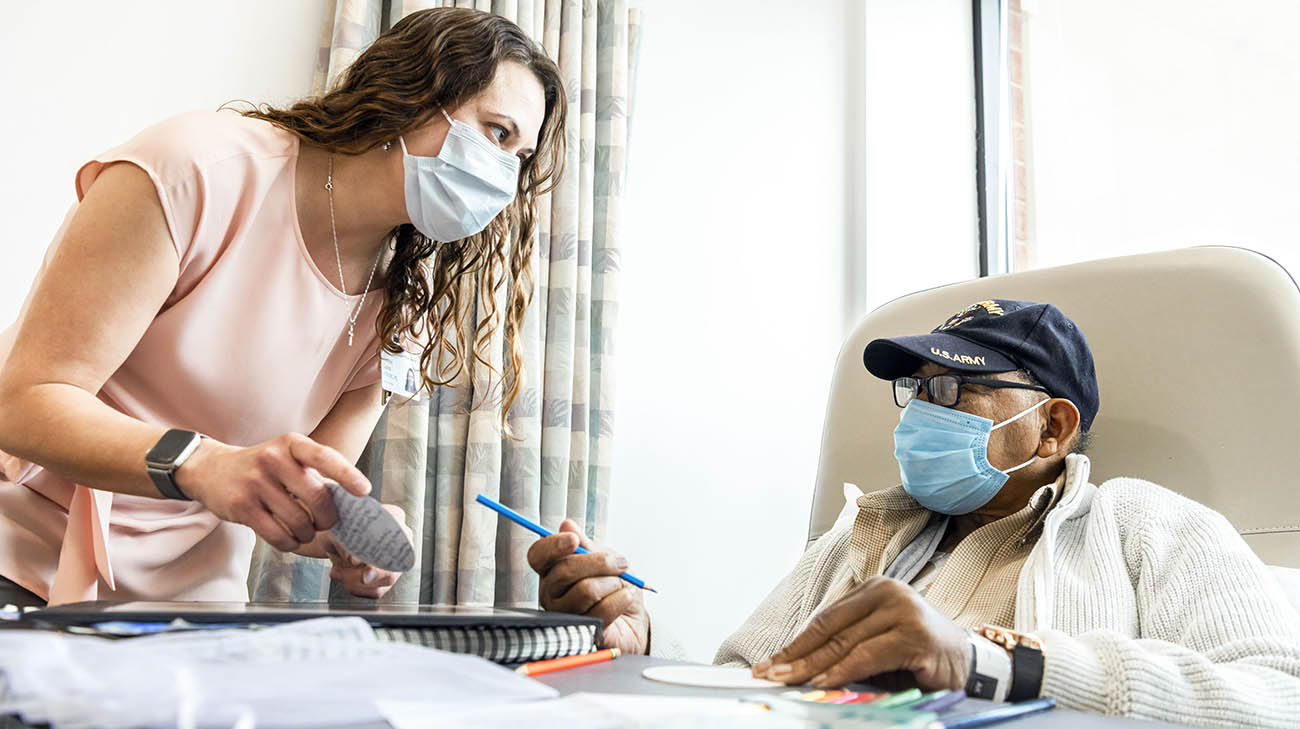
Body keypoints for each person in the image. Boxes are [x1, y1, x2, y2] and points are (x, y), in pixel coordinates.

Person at [0, 8, 567, 608]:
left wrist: (353, 532)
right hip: (24, 553)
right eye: (498, 133)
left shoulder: (403, 309)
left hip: (188, 606)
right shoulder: (197, 170)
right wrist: (201, 463)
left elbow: (306, 490)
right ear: (413, 93)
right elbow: (24, 402)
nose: (505, 175)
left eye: (521, 158)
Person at [527, 299, 1300, 727]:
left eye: (951, 390)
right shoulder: (869, 528)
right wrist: (636, 638)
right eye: (916, 390)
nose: (918, 416)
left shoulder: (1142, 522)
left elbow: (1280, 693)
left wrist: (996, 661)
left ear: (1053, 427)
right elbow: (747, 681)